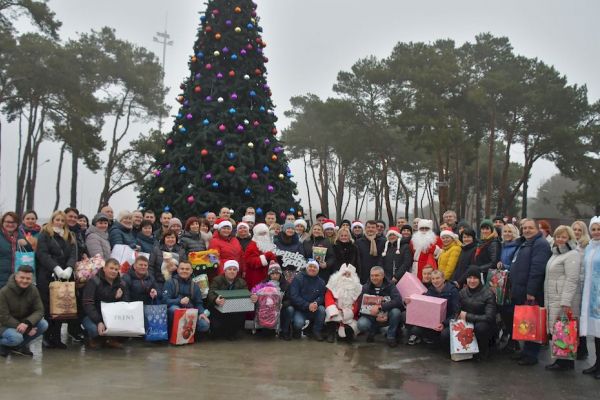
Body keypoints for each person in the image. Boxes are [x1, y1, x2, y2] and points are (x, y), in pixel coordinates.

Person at [510, 218, 552, 366]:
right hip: (520, 288)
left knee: (532, 322)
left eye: (530, 228)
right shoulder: (525, 242)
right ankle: (525, 351)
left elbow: (537, 269)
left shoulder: (540, 244)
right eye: (525, 228)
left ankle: (532, 354)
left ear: (537, 230)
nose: (527, 230)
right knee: (525, 322)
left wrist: (531, 291)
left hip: (530, 291)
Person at [35, 210, 77, 349]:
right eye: (57, 220)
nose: (59, 222)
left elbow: (73, 254)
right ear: (52, 220)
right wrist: (56, 268)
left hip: (64, 276)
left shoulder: (69, 236)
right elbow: (42, 254)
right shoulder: (45, 234)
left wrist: (69, 268)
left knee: (61, 307)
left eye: (62, 220)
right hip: (47, 275)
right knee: (49, 308)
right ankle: (47, 337)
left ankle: (57, 338)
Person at [543, 226, 582, 371]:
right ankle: (562, 359)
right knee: (559, 328)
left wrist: (566, 301)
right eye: (558, 236)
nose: (560, 239)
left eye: (564, 237)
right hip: (554, 296)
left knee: (564, 328)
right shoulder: (556, 252)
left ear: (569, 238)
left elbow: (572, 279)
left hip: (562, 298)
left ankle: (566, 362)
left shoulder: (572, 254)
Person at [441, 266, 496, 360]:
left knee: (480, 328)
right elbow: (457, 310)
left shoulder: (488, 294)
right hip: (465, 323)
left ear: (479, 279)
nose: (472, 281)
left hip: (482, 324)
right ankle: (457, 351)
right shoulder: (462, 292)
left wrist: (467, 316)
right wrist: (452, 320)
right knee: (445, 334)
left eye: (475, 278)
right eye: (469, 278)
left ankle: (483, 351)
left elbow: (489, 317)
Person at [0, 266, 48, 357]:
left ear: (32, 279)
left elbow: (39, 310)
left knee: (43, 324)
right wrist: (26, 329)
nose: (25, 281)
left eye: (28, 278)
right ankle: (3, 344)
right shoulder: (4, 292)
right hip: (5, 325)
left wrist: (27, 323)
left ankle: (17, 347)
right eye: (22, 277)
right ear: (16, 276)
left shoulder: (33, 290)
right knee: (16, 338)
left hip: (23, 323)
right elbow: (3, 316)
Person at [82, 258, 129, 349]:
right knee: (95, 330)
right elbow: (88, 303)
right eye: (111, 268)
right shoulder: (94, 281)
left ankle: (110, 339)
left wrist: (120, 298)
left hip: (112, 316)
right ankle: (91, 338)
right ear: (104, 268)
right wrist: (99, 321)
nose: (114, 271)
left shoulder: (122, 283)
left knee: (127, 330)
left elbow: (126, 303)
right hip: (93, 315)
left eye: (116, 269)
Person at [407, 270, 459, 346]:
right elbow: (423, 305)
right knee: (415, 329)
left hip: (447, 321)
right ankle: (430, 338)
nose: (435, 281)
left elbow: (456, 312)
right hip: (433, 322)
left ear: (443, 279)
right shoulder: (430, 290)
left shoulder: (453, 291)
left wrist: (444, 324)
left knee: (444, 335)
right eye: (433, 279)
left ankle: (440, 343)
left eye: (438, 278)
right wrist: (409, 301)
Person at [357, 266, 404, 347]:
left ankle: (391, 336)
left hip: (387, 313)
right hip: (371, 315)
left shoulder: (390, 285)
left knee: (396, 312)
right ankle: (372, 331)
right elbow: (360, 306)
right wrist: (374, 315)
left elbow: (398, 301)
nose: (374, 278)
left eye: (376, 275)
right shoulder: (365, 287)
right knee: (361, 324)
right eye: (372, 275)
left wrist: (381, 307)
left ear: (382, 276)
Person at [207, 260, 254, 340]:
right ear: (225, 270)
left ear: (237, 271)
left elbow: (246, 294)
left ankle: (233, 332)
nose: (232, 271)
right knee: (216, 330)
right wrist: (215, 300)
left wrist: (252, 297)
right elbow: (210, 293)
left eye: (234, 269)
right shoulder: (217, 280)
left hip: (235, 310)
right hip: (219, 309)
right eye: (229, 269)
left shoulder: (242, 282)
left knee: (237, 326)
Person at [163, 261, 210, 338]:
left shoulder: (195, 285)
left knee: (204, 325)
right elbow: (164, 300)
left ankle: (190, 336)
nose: (184, 271)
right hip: (175, 312)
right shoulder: (170, 282)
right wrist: (179, 301)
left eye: (187, 269)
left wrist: (202, 313)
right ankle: (172, 335)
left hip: (190, 314)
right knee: (174, 309)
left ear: (191, 271)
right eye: (182, 269)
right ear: (178, 270)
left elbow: (198, 303)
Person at [581, 217, 600, 379]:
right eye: (593, 229)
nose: (596, 232)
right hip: (589, 294)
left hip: (598, 294)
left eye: (599, 229)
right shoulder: (589, 248)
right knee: (595, 331)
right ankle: (597, 363)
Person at [289, 260, 327, 341]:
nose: (312, 269)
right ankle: (296, 330)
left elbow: (322, 296)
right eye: (310, 266)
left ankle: (316, 331)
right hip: (300, 309)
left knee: (322, 310)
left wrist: (316, 303)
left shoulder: (321, 282)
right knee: (298, 323)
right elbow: (294, 296)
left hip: (314, 309)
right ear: (306, 268)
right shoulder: (298, 278)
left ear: (318, 270)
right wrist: (307, 305)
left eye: (315, 267)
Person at [323, 264, 362, 343]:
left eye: (348, 274)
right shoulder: (332, 286)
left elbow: (357, 303)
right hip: (336, 311)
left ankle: (344, 335)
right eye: (344, 274)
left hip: (349, 314)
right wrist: (334, 310)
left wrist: (348, 313)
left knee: (349, 331)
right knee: (332, 319)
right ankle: (331, 334)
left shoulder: (357, 289)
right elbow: (328, 298)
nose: (346, 276)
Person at [259, 262, 293, 340]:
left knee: (290, 309)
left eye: (277, 274)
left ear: (280, 274)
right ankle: (266, 329)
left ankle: (284, 331)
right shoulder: (263, 283)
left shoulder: (286, 284)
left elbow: (290, 299)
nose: (275, 276)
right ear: (269, 275)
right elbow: (256, 293)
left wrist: (282, 304)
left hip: (281, 307)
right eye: (272, 274)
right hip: (267, 309)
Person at [571, 220, 590, 360]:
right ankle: (576, 346)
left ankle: (583, 348)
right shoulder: (570, 244)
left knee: (580, 318)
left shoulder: (586, 246)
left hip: (582, 286)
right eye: (575, 229)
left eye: (579, 230)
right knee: (573, 317)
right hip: (573, 286)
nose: (577, 232)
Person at [1, 212, 31, 289]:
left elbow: (30, 255)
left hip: (19, 278)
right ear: (2, 222)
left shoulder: (20, 235)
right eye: (8, 222)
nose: (10, 224)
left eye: (13, 222)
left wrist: (26, 245)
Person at [244, 223, 277, 291]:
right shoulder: (252, 246)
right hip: (256, 276)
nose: (263, 235)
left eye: (265, 233)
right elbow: (249, 261)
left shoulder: (269, 243)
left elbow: (272, 256)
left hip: (268, 274)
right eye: (261, 234)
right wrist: (265, 256)